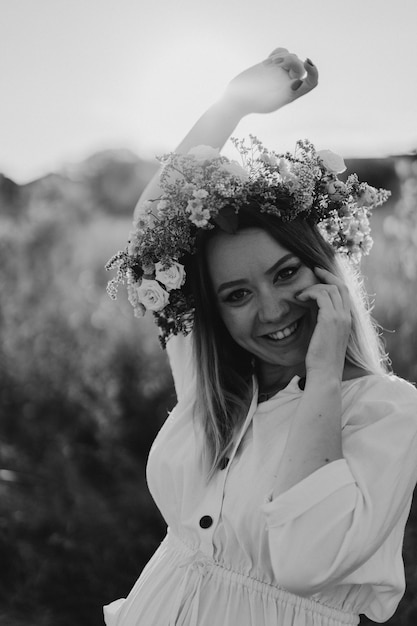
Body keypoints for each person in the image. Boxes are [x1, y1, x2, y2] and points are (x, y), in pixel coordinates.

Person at [104, 48, 417, 626]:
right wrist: (235, 104)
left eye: (286, 273)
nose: (272, 310)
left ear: (324, 267)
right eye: (237, 294)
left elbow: (305, 559)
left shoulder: (387, 412)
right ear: (216, 311)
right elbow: (154, 228)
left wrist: (323, 376)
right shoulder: (218, 381)